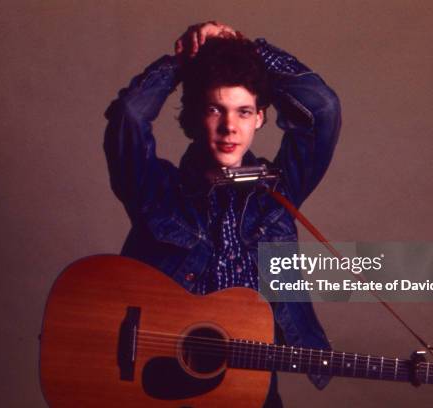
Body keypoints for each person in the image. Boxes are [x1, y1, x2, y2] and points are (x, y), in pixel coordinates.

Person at [104, 21, 342, 407]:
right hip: (159, 386)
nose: (230, 127)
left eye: (244, 111)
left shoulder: (277, 193)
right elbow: (130, 117)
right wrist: (185, 62)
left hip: (251, 390)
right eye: (216, 109)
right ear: (197, 114)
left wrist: (247, 49)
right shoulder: (155, 192)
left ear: (260, 118)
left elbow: (322, 109)